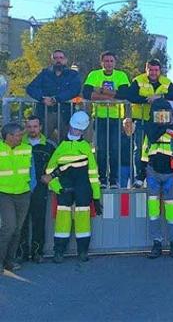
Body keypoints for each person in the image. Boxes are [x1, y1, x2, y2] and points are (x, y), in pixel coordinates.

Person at [41, 111, 101, 263]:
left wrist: (96, 196)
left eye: (79, 129)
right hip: (65, 188)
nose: (76, 131)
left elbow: (93, 174)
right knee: (63, 220)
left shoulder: (86, 147)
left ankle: (82, 252)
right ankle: (59, 252)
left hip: (82, 187)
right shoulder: (61, 147)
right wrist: (58, 188)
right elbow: (49, 172)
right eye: (75, 128)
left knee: (83, 221)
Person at [126, 59, 173, 188]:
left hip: (159, 122)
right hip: (141, 120)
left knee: (158, 149)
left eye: (156, 70)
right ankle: (139, 178)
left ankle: (154, 177)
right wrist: (147, 99)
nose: (153, 72)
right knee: (140, 149)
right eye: (151, 70)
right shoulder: (139, 80)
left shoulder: (166, 81)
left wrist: (159, 97)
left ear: (160, 71)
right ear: (146, 69)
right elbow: (130, 96)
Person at [140, 98, 173, 259]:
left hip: (170, 176)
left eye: (165, 114)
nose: (162, 117)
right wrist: (140, 177)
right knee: (153, 212)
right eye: (159, 114)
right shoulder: (149, 132)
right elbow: (144, 155)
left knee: (172, 212)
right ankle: (156, 244)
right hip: (152, 174)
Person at [82, 51, 131, 188]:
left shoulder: (121, 75)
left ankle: (113, 180)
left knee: (115, 150)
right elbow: (86, 93)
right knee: (101, 149)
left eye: (111, 61)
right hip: (99, 117)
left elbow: (124, 94)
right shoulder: (94, 75)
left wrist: (100, 91)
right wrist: (110, 97)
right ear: (101, 62)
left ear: (115, 63)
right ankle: (102, 179)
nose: (109, 63)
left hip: (115, 118)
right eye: (106, 61)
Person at [17, 116, 56, 264]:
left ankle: (37, 253)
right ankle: (21, 253)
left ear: (40, 127)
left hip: (40, 188)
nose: (32, 129)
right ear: (25, 128)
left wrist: (50, 176)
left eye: (35, 126)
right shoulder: (19, 144)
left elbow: (58, 165)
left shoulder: (49, 146)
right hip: (21, 188)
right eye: (29, 126)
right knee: (21, 222)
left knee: (39, 221)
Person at [26, 49, 82, 142]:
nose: (58, 60)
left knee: (66, 142)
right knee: (41, 141)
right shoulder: (44, 73)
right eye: (55, 58)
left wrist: (56, 99)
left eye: (61, 57)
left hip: (65, 115)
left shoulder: (73, 74)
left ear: (66, 60)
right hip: (46, 114)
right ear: (52, 60)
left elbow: (74, 90)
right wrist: (42, 98)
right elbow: (31, 88)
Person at [0, 122, 34, 272]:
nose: (22, 137)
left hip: (23, 194)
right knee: (9, 228)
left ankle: (9, 261)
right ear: (9, 136)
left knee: (17, 230)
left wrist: (30, 188)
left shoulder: (27, 148)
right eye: (19, 135)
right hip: (4, 194)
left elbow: (32, 171)